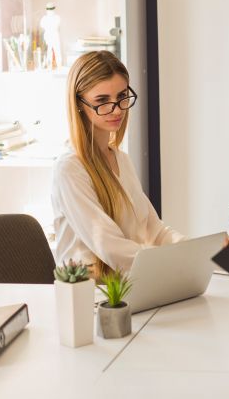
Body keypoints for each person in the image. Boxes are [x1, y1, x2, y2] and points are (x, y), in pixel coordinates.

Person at [52, 50, 184, 276]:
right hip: (93, 293)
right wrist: (169, 267)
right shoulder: (70, 168)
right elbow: (109, 245)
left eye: (122, 97)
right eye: (102, 101)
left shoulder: (121, 159)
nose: (116, 109)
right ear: (79, 104)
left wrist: (197, 251)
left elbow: (155, 230)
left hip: (127, 281)